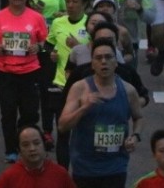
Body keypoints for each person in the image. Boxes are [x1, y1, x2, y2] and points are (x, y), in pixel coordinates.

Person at [58, 38, 145, 188]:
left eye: (108, 57)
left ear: (116, 62)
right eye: (98, 58)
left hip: (116, 167)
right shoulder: (80, 88)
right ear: (92, 64)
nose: (103, 61)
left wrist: (135, 136)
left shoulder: (128, 90)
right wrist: (84, 108)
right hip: (85, 168)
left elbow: (139, 117)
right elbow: (62, 126)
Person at [0, 0, 49, 162]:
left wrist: (38, 47)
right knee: (8, 112)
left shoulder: (37, 17)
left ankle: (27, 143)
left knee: (30, 113)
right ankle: (11, 150)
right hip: (5, 72)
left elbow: (46, 40)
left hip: (31, 71)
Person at [0, 125, 76, 188]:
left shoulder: (60, 174)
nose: (32, 149)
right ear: (19, 150)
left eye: (36, 143)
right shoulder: (9, 176)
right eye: (25, 145)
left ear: (44, 145)